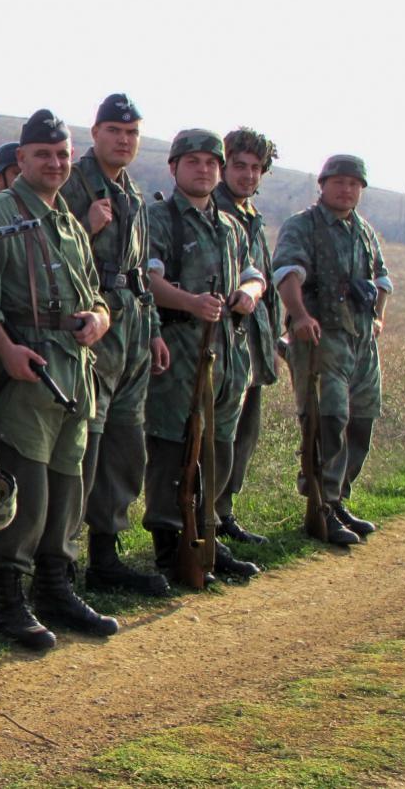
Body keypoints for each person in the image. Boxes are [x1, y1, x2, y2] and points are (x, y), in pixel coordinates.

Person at [0, 109, 117, 649]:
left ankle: (56, 587)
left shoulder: (70, 224)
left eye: (61, 154)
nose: (54, 163)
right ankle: (10, 601)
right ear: (21, 158)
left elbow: (96, 293)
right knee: (26, 492)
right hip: (26, 372)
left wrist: (99, 319)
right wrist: (5, 349)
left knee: (66, 489)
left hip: (74, 372)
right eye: (42, 155)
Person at [59, 94, 170, 597]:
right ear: (95, 133)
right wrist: (87, 227)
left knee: (125, 447)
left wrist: (155, 331)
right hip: (91, 329)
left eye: (131, 133)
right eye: (114, 131)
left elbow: (140, 271)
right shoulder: (71, 182)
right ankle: (60, 559)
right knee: (83, 447)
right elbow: (44, 255)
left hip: (133, 332)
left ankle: (106, 556)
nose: (124, 141)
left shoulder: (133, 194)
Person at [143, 129, 265, 586]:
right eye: (193, 161)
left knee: (217, 449)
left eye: (211, 162)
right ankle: (169, 546)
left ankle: (207, 536)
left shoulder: (230, 226)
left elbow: (255, 274)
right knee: (173, 450)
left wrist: (249, 293)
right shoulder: (157, 219)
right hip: (179, 356)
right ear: (173, 166)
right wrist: (190, 302)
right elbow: (147, 280)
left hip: (226, 357)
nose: (204, 169)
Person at [273, 154, 390, 545]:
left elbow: (382, 278)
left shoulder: (363, 231)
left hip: (361, 341)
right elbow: (287, 272)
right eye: (339, 182)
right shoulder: (303, 226)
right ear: (322, 185)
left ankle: (338, 499)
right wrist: (300, 316)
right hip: (322, 339)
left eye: (354, 184)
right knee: (329, 419)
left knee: (362, 419)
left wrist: (378, 317)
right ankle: (321, 506)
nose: (346, 189)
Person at [212, 127, 281, 545]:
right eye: (240, 165)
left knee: (245, 432)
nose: (248, 175)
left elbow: (265, 282)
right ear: (224, 166)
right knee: (218, 435)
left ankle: (224, 511)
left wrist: (275, 339)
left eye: (256, 168)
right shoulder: (212, 210)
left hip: (254, 341)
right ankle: (205, 517)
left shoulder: (251, 216)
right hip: (220, 341)